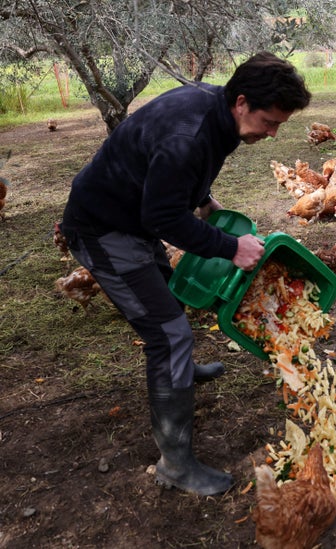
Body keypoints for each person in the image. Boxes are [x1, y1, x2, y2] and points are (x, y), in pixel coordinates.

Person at [59, 52, 312, 496]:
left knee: (170, 297)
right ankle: (175, 463)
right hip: (103, 227)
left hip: (132, 215)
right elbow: (162, 217)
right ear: (241, 102)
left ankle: (181, 372)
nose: (273, 133)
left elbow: (175, 176)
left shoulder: (216, 114)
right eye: (270, 122)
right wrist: (231, 247)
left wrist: (206, 200)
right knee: (169, 334)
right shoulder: (188, 135)